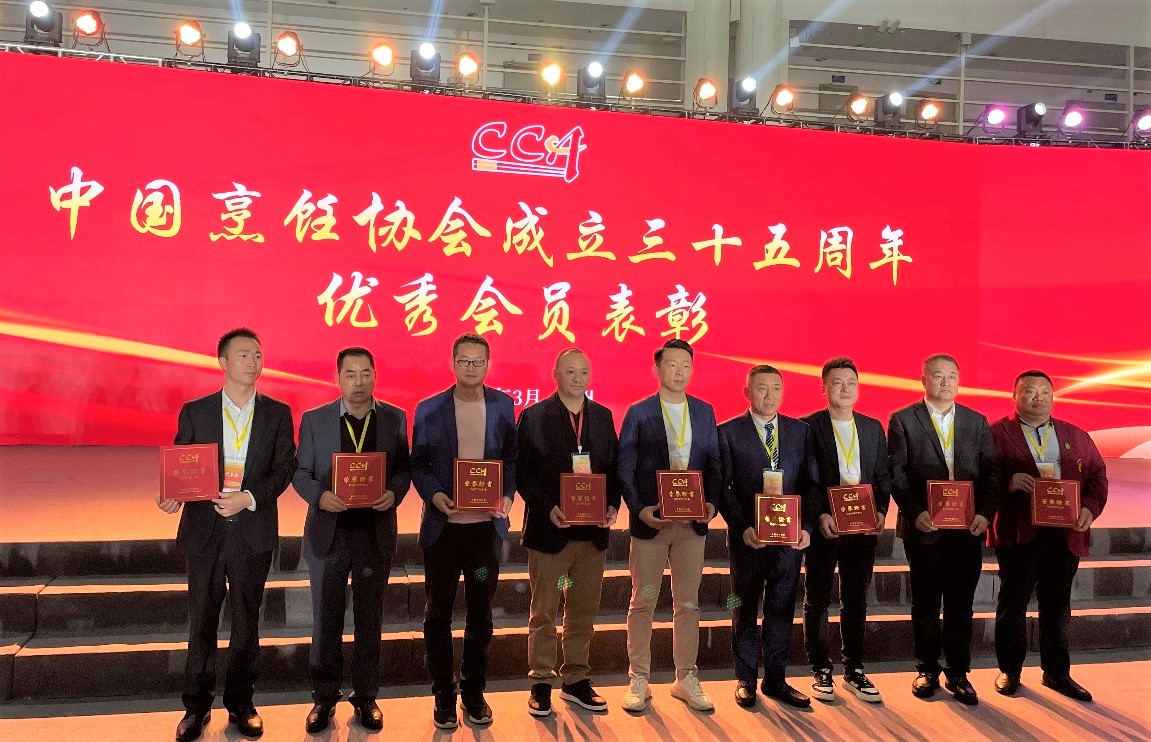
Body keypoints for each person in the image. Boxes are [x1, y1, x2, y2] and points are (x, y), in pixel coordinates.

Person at [155, 328, 296, 741]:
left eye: (258, 355)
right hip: (205, 531)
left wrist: (249, 497)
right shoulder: (195, 412)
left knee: (247, 622)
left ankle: (241, 703)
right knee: (201, 620)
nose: (253, 362)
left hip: (251, 529)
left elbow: (284, 468)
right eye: (244, 355)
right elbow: (182, 465)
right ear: (223, 362)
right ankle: (195, 707)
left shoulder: (277, 413)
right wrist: (172, 495)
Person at [294, 347, 411, 732]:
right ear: (337, 377)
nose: (358, 382)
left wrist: (394, 493)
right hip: (329, 534)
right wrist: (319, 496)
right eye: (350, 374)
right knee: (325, 620)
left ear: (375, 375)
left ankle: (366, 696)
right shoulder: (315, 420)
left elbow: (403, 470)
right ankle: (324, 698)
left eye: (365, 374)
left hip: (373, 534)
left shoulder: (394, 418)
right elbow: (300, 473)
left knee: (369, 620)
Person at [411, 333, 518, 729]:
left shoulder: (503, 405)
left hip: (483, 535)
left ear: (488, 364)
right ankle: (443, 692)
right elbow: (418, 463)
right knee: (437, 614)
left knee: (480, 614)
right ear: (453, 363)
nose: (471, 367)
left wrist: (506, 496)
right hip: (444, 533)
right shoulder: (429, 408)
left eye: (478, 361)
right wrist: (434, 494)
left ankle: (473, 691)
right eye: (464, 361)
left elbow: (511, 460)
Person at [989, 370, 1107, 701]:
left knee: (1057, 606)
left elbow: (1097, 476)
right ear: (1014, 396)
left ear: (1053, 397)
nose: (1037, 397)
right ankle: (1009, 670)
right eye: (1029, 391)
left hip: (1065, 534)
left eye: (1044, 391)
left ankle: (1056, 673)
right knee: (1013, 604)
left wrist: (1090, 509)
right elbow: (978, 476)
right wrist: (1008, 483)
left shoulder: (1075, 434)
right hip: (1019, 533)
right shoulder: (996, 434)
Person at [889, 353, 999, 706]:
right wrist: (915, 512)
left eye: (951, 375)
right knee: (925, 603)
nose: (945, 381)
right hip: (924, 527)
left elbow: (991, 473)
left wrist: (985, 514)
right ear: (924, 380)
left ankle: (958, 672)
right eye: (937, 375)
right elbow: (897, 474)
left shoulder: (976, 421)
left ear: (959, 380)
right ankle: (926, 669)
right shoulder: (903, 420)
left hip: (967, 529)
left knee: (960, 605)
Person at [617, 338, 721, 713]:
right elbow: (625, 467)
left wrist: (712, 503)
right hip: (652, 524)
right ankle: (639, 678)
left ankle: (686, 677)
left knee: (688, 603)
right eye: (672, 364)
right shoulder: (639, 412)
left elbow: (714, 464)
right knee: (643, 600)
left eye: (686, 365)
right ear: (657, 369)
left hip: (691, 527)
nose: (679, 371)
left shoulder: (705, 412)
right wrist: (638, 508)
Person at [516, 348, 620, 717]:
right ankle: (541, 681)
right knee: (544, 611)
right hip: (550, 532)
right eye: (570, 371)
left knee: (583, 611)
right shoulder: (534, 416)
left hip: (592, 535)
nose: (578, 378)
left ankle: (576, 679)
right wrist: (548, 507)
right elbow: (522, 473)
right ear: (555, 374)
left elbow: (614, 469)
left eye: (583, 372)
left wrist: (613, 505)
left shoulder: (603, 417)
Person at [718, 364, 820, 709]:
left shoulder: (800, 431)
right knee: (742, 607)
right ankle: (745, 678)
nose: (769, 395)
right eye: (761, 388)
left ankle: (776, 679)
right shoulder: (727, 432)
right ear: (747, 392)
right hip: (748, 539)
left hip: (788, 541)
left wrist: (806, 528)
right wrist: (742, 527)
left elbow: (811, 484)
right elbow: (723, 488)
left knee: (781, 608)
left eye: (776, 388)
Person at [800, 357, 891, 704]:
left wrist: (880, 511)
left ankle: (854, 668)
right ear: (823, 387)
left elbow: (881, 476)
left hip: (862, 529)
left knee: (856, 599)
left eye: (851, 383)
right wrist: (818, 515)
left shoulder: (872, 427)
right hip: (826, 527)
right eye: (837, 383)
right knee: (817, 599)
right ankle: (820, 668)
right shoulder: (808, 427)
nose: (844, 388)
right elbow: (805, 480)